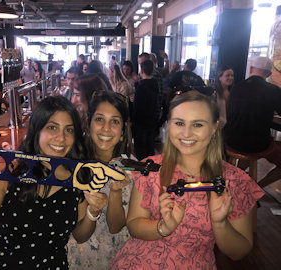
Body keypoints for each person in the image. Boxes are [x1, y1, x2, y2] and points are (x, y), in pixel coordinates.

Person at [0, 95, 108, 269]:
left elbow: (80, 235)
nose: (62, 138)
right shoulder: (4, 175)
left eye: (69, 130)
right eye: (52, 127)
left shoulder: (78, 178)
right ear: (37, 131)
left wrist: (93, 212)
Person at [111, 90, 265, 269]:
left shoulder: (234, 180)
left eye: (198, 125)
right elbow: (134, 224)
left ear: (214, 127)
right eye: (179, 123)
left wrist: (219, 223)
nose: (186, 133)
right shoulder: (151, 168)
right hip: (137, 262)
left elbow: (238, 252)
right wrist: (162, 228)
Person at [68, 91, 132, 269]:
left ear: (122, 131)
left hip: (116, 259)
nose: (106, 128)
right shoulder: (75, 166)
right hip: (79, 257)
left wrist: (116, 191)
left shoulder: (129, 168)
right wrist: (92, 210)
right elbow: (79, 234)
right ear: (88, 125)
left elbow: (116, 226)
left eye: (115, 121)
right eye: (99, 119)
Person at [224, 57, 281, 188]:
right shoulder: (273, 90)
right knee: (256, 144)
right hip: (257, 145)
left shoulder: (236, 88)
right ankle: (258, 187)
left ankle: (236, 176)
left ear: (251, 69)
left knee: (247, 140)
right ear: (268, 74)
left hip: (230, 141)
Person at [132, 60, 159, 161]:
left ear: (141, 70)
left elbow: (138, 109)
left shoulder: (141, 87)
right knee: (149, 148)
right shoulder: (154, 84)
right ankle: (151, 172)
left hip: (141, 124)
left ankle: (142, 173)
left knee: (141, 151)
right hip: (152, 121)